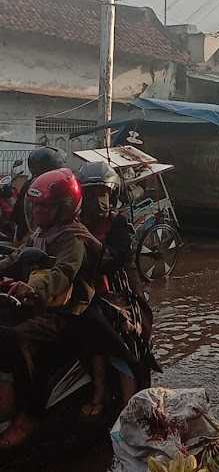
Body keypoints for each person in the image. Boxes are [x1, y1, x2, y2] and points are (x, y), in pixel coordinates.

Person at [0, 168, 101, 447]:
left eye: (44, 207)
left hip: (63, 311)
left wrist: (34, 290)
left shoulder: (73, 237)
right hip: (34, 304)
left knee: (11, 338)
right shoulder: (41, 232)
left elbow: (63, 273)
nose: (37, 212)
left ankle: (27, 415)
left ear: (64, 207)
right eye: (36, 206)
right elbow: (16, 258)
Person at [77, 161, 154, 417]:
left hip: (118, 293)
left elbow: (119, 259)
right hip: (85, 291)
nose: (98, 199)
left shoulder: (117, 223)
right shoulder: (75, 222)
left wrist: (91, 242)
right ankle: (96, 391)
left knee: (122, 337)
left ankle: (128, 405)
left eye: (103, 193)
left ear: (112, 194)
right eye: (92, 193)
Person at [11, 147, 66, 245]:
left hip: (27, 238)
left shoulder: (28, 184)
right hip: (39, 239)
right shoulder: (54, 186)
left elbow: (16, 216)